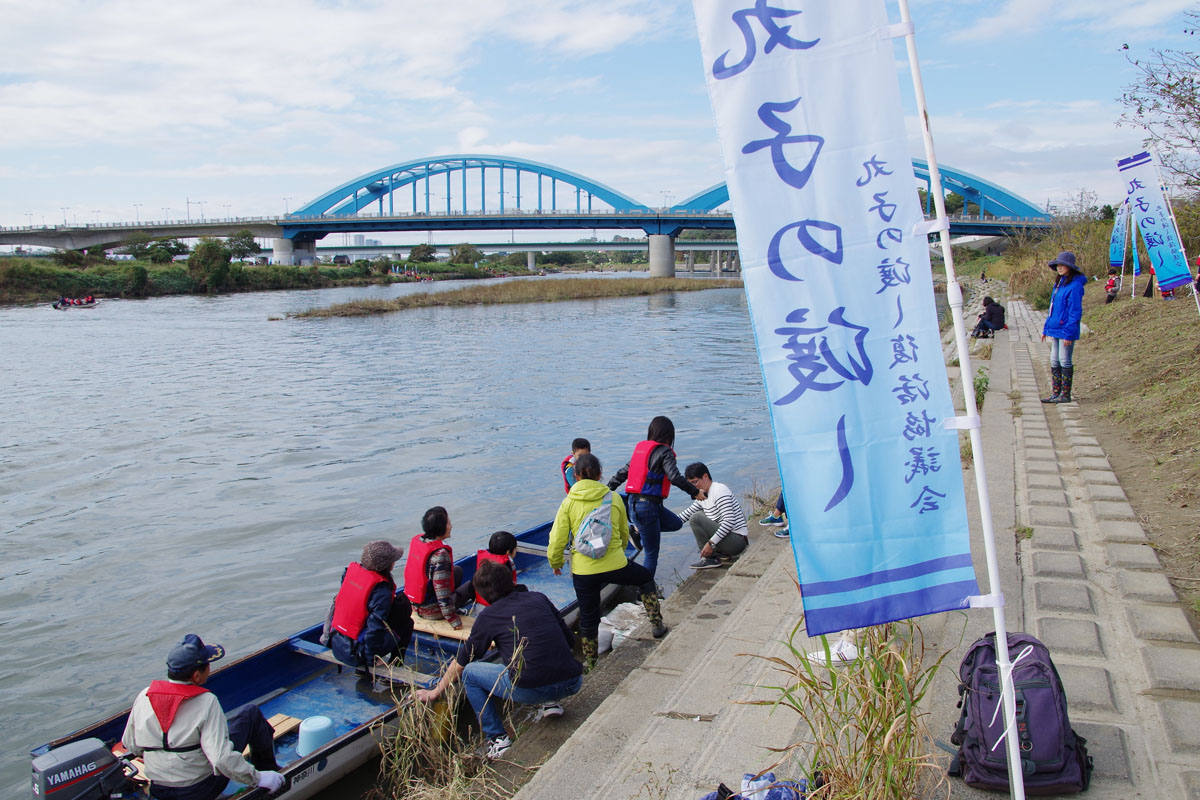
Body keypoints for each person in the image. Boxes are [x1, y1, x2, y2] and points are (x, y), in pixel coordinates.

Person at [415, 560, 583, 761]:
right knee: (528, 651)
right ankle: (550, 704)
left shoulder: (488, 616)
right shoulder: (539, 598)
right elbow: (569, 640)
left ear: (483, 595)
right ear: (511, 581)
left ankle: (497, 739)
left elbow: (463, 661)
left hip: (532, 690)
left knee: (471, 673)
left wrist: (435, 692)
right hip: (573, 682)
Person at [121, 634, 285, 800]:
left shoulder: (144, 695)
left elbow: (131, 745)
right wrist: (258, 779)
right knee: (251, 713)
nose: (210, 668)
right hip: (199, 791)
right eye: (208, 665)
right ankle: (269, 772)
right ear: (196, 676)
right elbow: (221, 760)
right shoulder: (206, 702)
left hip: (159, 790)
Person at [551, 453, 668, 668]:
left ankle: (591, 662)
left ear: (576, 477)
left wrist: (556, 562)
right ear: (600, 475)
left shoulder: (568, 503)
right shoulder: (612, 498)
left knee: (588, 615)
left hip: (583, 571)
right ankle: (656, 624)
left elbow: (557, 539)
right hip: (615, 564)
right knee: (644, 578)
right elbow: (624, 533)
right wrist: (618, 554)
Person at [607, 416, 699, 579]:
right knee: (651, 554)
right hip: (647, 508)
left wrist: (607, 490)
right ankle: (646, 595)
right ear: (669, 436)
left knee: (676, 523)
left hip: (635, 506)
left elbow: (622, 473)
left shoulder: (641, 451)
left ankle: (636, 530)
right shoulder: (665, 452)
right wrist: (695, 492)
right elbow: (675, 477)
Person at [322, 540, 413, 670]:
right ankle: (396, 664)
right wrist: (371, 660)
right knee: (407, 624)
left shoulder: (349, 574)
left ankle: (364, 666)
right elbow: (374, 627)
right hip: (356, 654)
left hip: (337, 644)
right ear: (388, 565)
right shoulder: (381, 590)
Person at [679, 462, 750, 569]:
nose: (692, 487)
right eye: (690, 484)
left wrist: (710, 544)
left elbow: (729, 521)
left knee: (696, 518)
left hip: (737, 542)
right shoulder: (702, 495)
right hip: (726, 543)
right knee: (696, 515)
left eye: (695, 482)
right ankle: (719, 553)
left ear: (705, 476)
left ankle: (710, 559)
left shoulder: (719, 490)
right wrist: (658, 524)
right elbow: (684, 516)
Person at [404, 506, 463, 630]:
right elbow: (443, 594)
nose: (451, 526)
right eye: (448, 523)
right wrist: (453, 620)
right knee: (471, 585)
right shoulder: (441, 555)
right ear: (441, 528)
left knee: (457, 570)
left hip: (415, 604)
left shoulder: (420, 541)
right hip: (432, 611)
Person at [1041, 251, 1086, 404]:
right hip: (1055, 328)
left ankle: (1065, 395)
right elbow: (1052, 308)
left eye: (1062, 265)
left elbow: (1075, 311)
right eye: (1058, 265)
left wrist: (1069, 333)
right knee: (1054, 360)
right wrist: (1046, 329)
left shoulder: (1075, 286)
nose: (1059, 268)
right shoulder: (1059, 284)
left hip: (1066, 329)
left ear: (1070, 267)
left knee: (1064, 360)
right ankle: (1056, 393)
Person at [453, 530, 527, 608]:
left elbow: (472, 588)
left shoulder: (484, 563)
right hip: (498, 606)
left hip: (481, 604)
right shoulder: (505, 568)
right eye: (515, 549)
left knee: (470, 583)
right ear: (508, 552)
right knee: (522, 589)